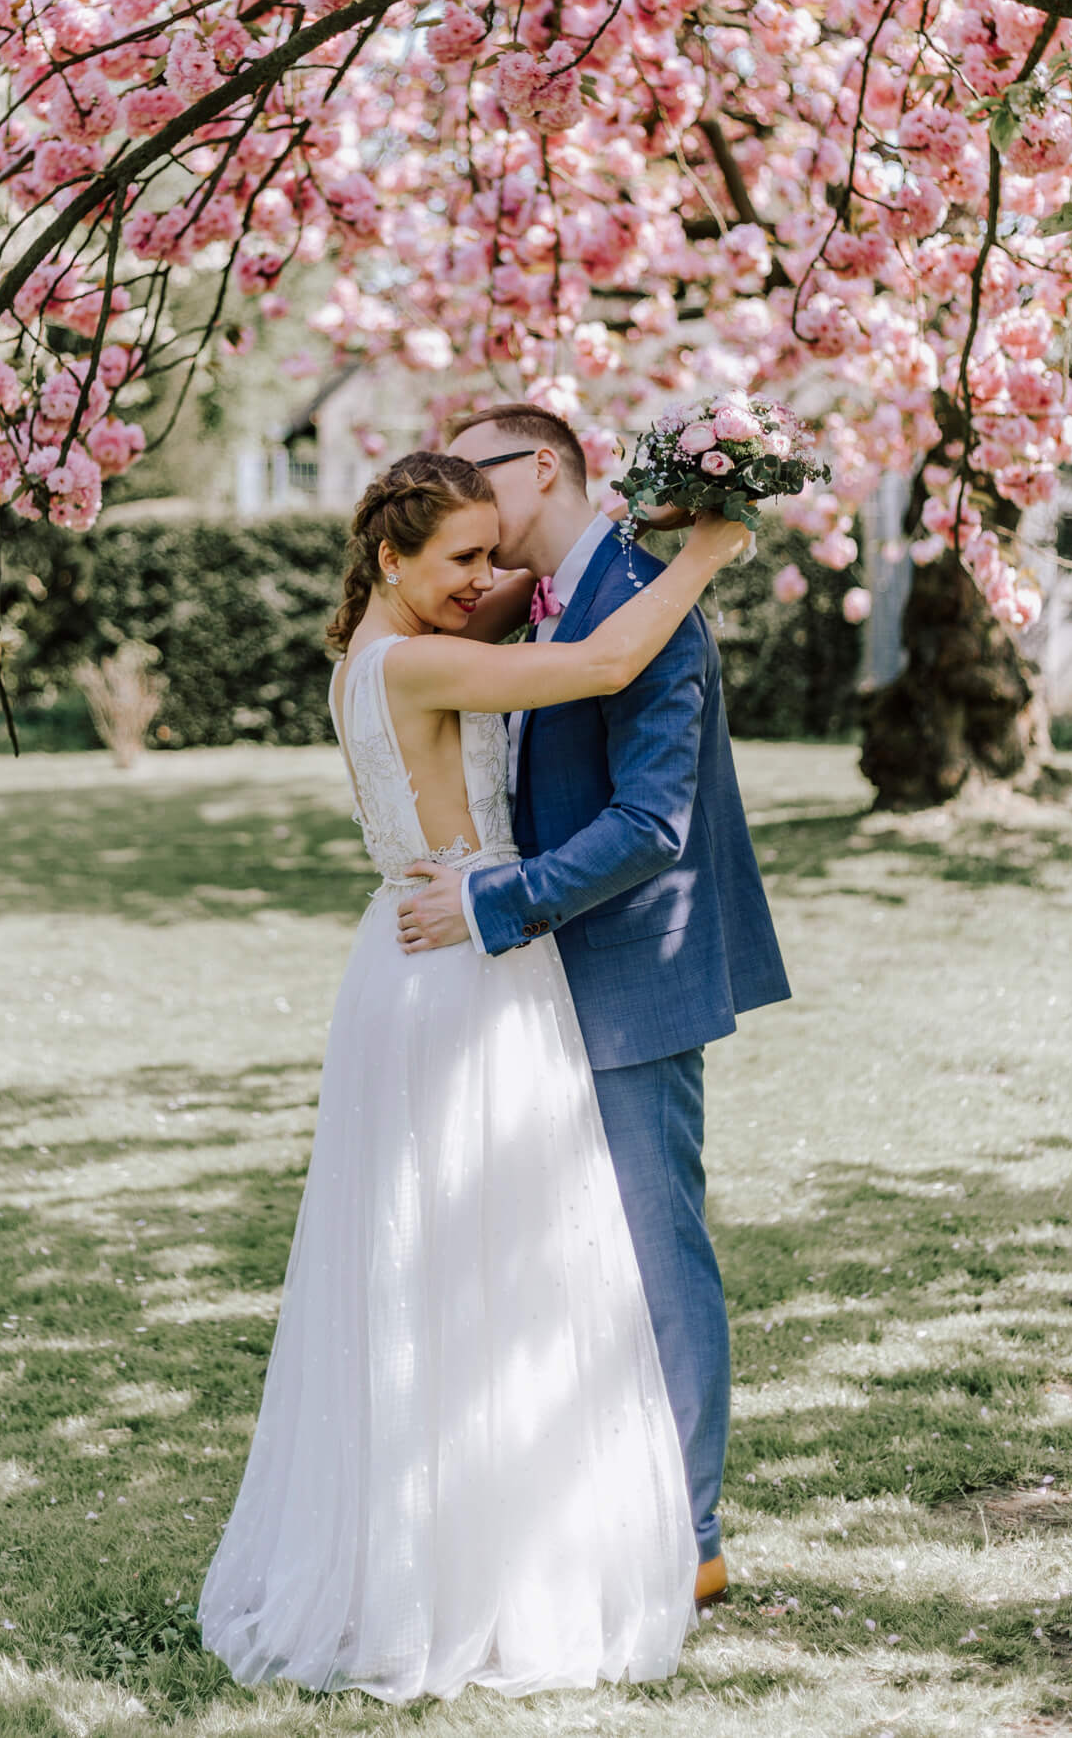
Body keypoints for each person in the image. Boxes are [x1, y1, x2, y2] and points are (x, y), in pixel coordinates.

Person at [198, 449, 750, 1701]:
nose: (484, 580)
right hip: (463, 968)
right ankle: (473, 1573)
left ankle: (468, 1545)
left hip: (409, 959)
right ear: (391, 559)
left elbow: (548, 599)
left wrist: (598, 533)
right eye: (458, 559)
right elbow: (604, 659)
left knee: (445, 1265)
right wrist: (707, 554)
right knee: (492, 1265)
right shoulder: (421, 659)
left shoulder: (375, 649)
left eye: (491, 556)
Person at [397, 403, 792, 1609]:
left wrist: (495, 902)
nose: (463, 493)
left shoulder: (650, 602)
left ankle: (693, 1535)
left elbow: (649, 826)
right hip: (538, 988)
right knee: (562, 1255)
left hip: (631, 972)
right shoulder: (535, 605)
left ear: (548, 467)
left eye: (481, 470)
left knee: (654, 1245)